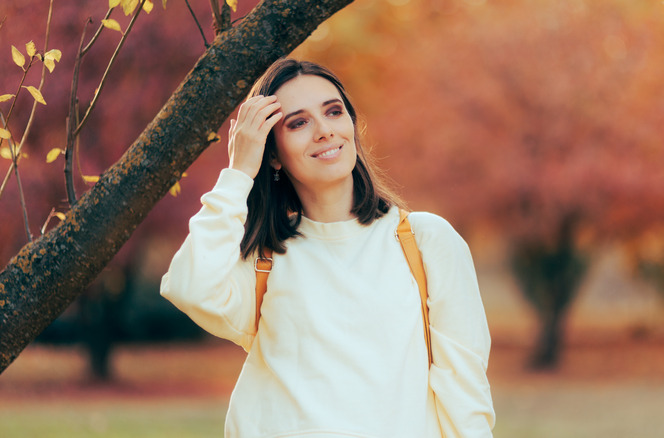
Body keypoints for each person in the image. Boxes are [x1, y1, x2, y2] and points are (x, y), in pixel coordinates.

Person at [161, 58, 495, 437]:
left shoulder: (424, 241)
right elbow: (190, 287)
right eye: (298, 122)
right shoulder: (265, 259)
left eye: (333, 112)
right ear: (272, 152)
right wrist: (239, 173)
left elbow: (465, 395)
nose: (324, 131)